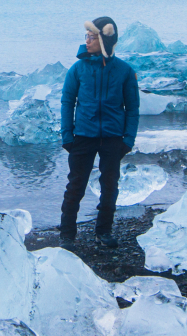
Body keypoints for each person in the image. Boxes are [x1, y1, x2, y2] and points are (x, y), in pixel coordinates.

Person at [59, 16, 140, 244]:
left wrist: (128, 139)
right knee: (75, 186)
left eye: (92, 37)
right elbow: (67, 102)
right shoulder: (78, 69)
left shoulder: (124, 71)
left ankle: (103, 231)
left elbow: (133, 107)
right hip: (83, 137)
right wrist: (67, 135)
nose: (87, 41)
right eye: (86, 36)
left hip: (113, 138)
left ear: (105, 39)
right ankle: (67, 235)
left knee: (110, 186)